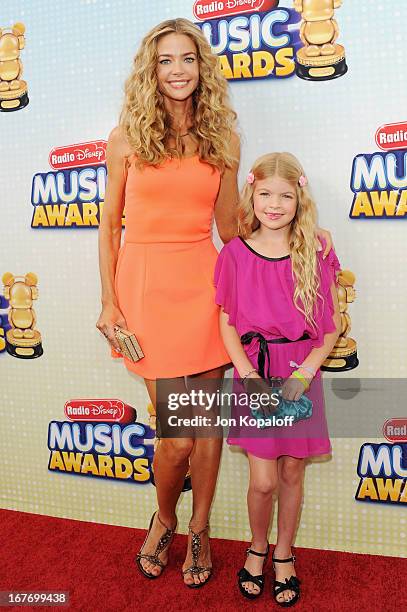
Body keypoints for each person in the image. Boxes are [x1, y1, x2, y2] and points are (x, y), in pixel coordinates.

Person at [96, 17, 334, 590]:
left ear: (201, 67)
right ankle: (166, 518)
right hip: (148, 288)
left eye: (187, 59)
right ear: (150, 71)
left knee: (204, 433)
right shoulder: (126, 136)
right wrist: (109, 302)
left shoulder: (223, 139)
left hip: (204, 288)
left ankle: (200, 529)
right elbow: (109, 224)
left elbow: (230, 225)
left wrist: (297, 236)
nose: (177, 71)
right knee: (175, 437)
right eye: (165, 61)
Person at [213, 152, 341, 605]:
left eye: (285, 195)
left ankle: (284, 553)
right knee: (263, 480)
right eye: (265, 194)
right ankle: (257, 547)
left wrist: (305, 376)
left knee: (291, 473)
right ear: (252, 193)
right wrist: (247, 377)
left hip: (300, 378)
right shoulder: (234, 254)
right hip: (256, 378)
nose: (274, 204)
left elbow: (331, 329)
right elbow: (227, 323)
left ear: (299, 199)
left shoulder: (316, 252)